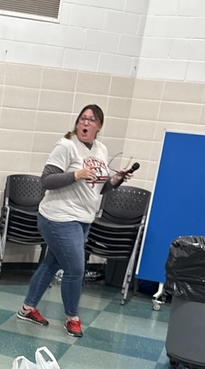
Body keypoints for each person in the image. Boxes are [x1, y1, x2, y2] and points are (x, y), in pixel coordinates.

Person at [17, 105, 127, 338]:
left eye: (91, 120)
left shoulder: (101, 149)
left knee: (52, 263)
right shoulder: (66, 146)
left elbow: (98, 188)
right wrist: (76, 174)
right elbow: (46, 180)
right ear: (77, 123)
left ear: (99, 126)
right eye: (82, 119)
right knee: (76, 268)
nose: (85, 123)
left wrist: (116, 179)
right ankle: (72, 318)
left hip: (83, 218)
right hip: (58, 216)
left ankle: (27, 308)